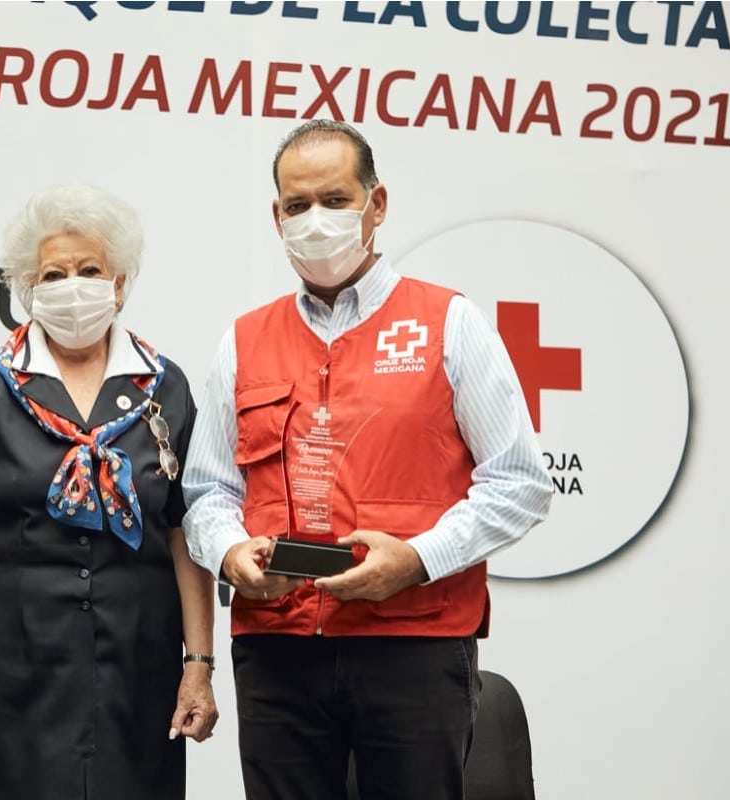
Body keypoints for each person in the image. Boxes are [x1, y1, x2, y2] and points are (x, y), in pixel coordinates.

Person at [181, 119, 553, 800]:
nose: (315, 221)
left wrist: (417, 560)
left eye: (335, 199)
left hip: (412, 644)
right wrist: (230, 553)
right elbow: (208, 491)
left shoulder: (449, 322)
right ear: (277, 216)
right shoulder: (244, 340)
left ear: (376, 205)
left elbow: (519, 484)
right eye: (297, 206)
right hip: (278, 650)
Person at [0, 184, 218, 799]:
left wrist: (199, 666)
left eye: (90, 270)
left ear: (119, 281)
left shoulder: (164, 384)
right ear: (29, 286)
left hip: (139, 664)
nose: (73, 285)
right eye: (54, 273)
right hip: (11, 668)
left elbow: (183, 532)